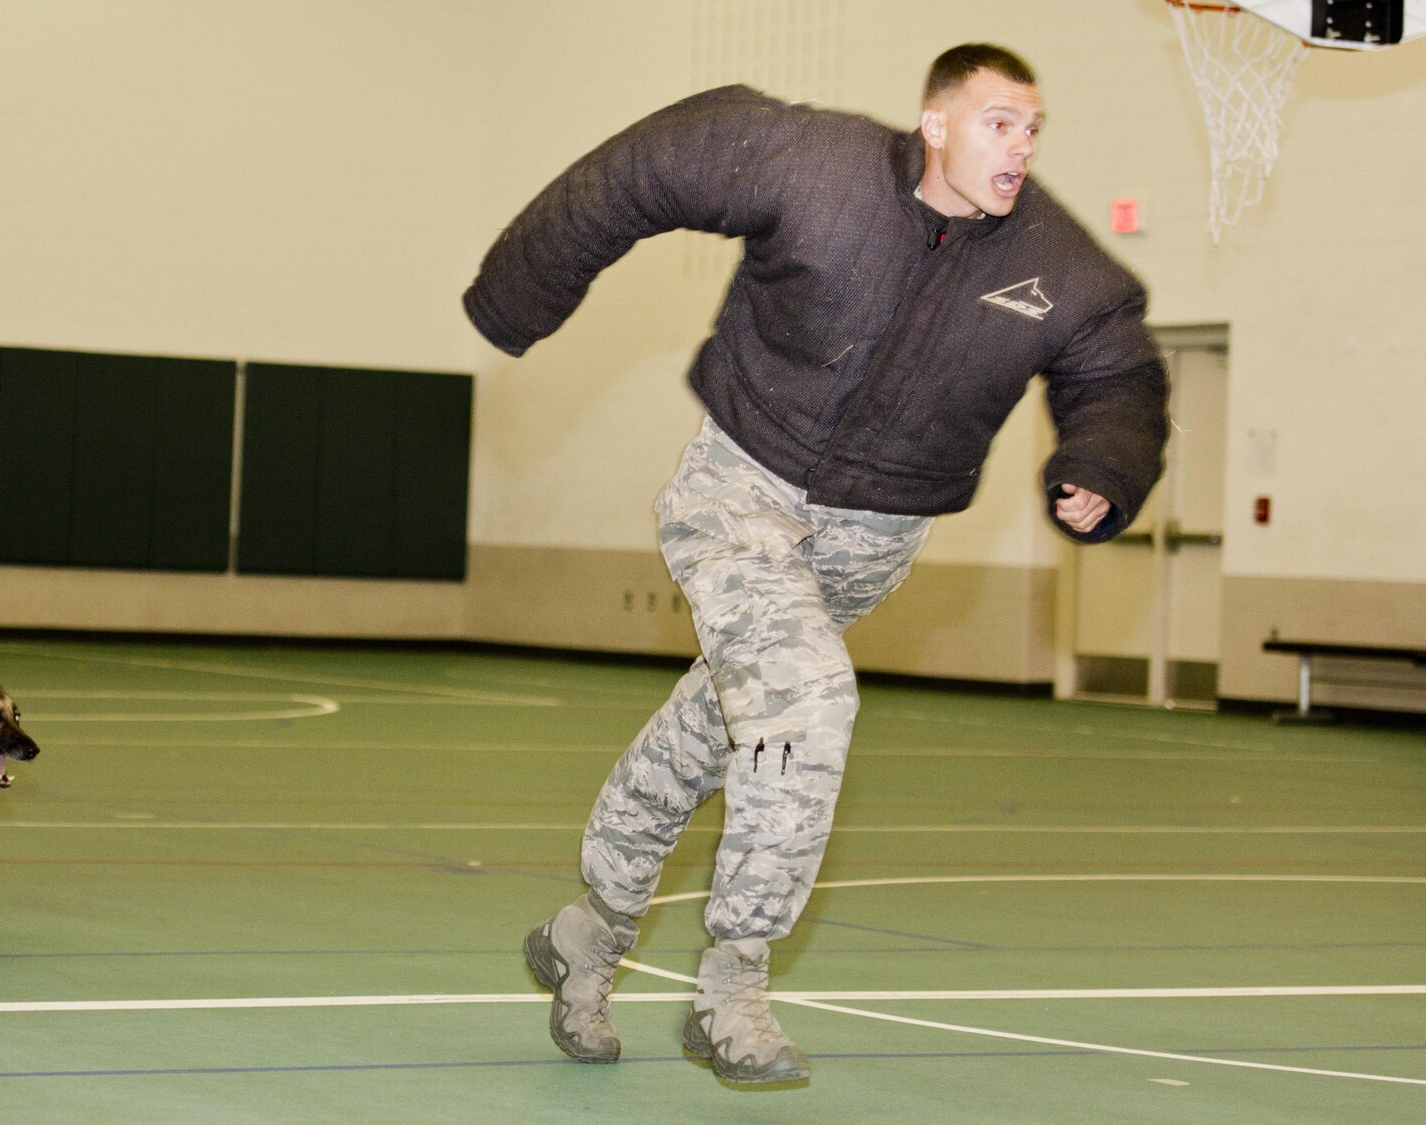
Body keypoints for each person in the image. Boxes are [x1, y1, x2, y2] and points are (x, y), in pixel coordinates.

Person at [464, 45, 1167, 1084]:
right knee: (806, 699)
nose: (1017, 146)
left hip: (869, 542)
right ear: (934, 123)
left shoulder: (1062, 268)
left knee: (712, 727)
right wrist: (519, 291)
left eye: (1031, 128)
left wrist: (1102, 463)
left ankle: (589, 934)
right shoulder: (810, 164)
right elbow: (645, 165)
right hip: (737, 487)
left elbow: (1116, 373)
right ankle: (732, 986)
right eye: (995, 122)